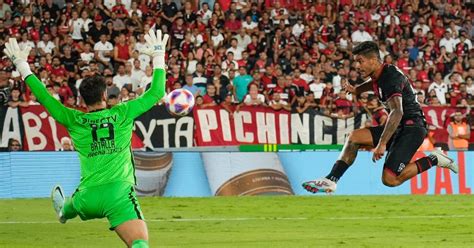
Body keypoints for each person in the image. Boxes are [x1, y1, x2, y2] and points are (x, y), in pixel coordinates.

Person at [4, 29, 169, 248]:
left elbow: (43, 97)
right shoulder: (122, 113)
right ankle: (65, 209)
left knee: (74, 203)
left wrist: (22, 66)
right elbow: (157, 92)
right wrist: (158, 56)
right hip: (118, 194)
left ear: (82, 100)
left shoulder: (73, 119)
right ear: (104, 95)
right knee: (139, 243)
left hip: (87, 198)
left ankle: (65, 210)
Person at [302, 41, 458, 194]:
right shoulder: (380, 74)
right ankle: (331, 179)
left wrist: (382, 143)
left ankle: (434, 159)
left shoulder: (390, 78)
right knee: (354, 137)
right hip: (399, 126)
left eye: (360, 61)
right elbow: (373, 84)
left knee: (390, 180)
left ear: (373, 60)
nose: (357, 66)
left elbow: (397, 112)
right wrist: (356, 90)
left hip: (413, 128)